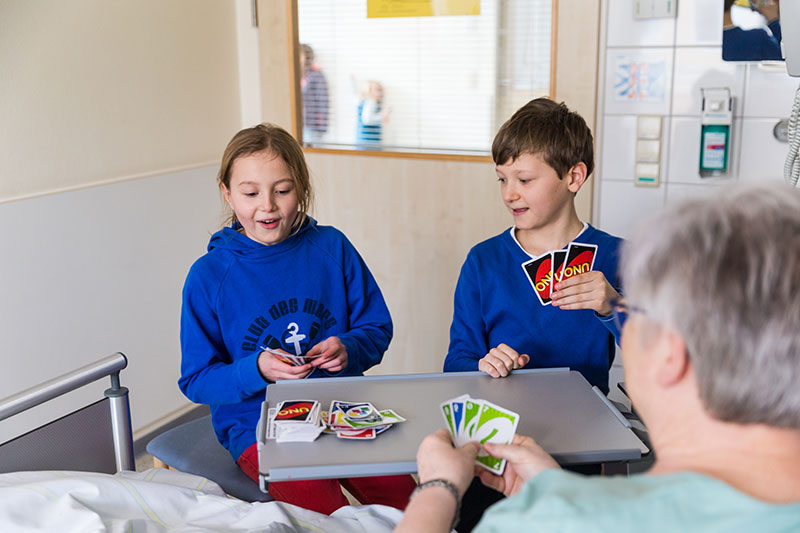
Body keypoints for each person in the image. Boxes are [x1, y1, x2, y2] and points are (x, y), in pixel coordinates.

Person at [398, 184, 800, 532]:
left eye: (635, 315)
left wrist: (440, 489)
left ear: (670, 357)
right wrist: (559, 488)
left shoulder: (533, 523)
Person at [178, 123, 416, 514]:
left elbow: (376, 328)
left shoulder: (332, 247)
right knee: (327, 514)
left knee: (412, 503)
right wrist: (256, 369)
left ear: (302, 189)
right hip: (258, 424)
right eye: (251, 193)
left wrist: (348, 348)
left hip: (343, 409)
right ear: (227, 193)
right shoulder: (208, 276)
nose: (267, 206)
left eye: (283, 190)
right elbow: (196, 380)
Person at [444, 97, 622, 390]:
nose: (509, 194)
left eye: (524, 180)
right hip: (503, 419)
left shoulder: (618, 256)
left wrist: (613, 306)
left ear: (574, 177)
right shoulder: (483, 261)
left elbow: (658, 356)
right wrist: (483, 365)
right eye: (502, 180)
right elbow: (456, 362)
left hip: (588, 418)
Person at [300, 44, 329, 143]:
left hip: (313, 126)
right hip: (300, 125)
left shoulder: (317, 75)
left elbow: (323, 102)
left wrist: (322, 128)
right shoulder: (296, 75)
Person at [356, 80, 389, 147]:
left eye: (380, 90)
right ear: (369, 91)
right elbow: (367, 120)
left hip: (364, 140)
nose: (380, 92)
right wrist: (382, 115)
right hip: (369, 142)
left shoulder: (366, 102)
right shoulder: (371, 101)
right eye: (377, 90)